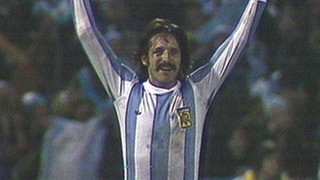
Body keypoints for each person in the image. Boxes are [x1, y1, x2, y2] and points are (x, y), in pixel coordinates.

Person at [71, 0, 267, 179]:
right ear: (145, 59)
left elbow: (239, 41)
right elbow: (85, 33)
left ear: (182, 59)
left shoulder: (197, 92)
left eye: (173, 52)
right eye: (158, 52)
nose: (166, 58)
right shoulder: (126, 91)